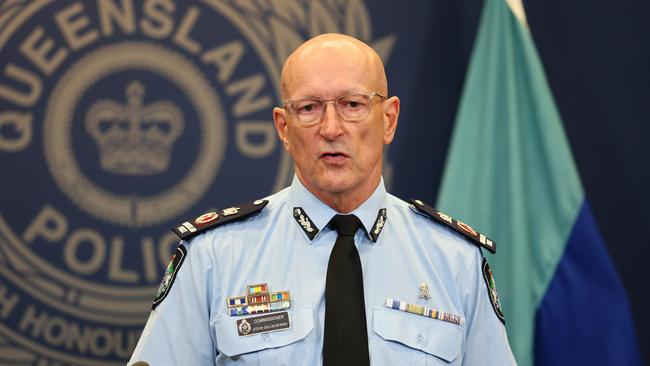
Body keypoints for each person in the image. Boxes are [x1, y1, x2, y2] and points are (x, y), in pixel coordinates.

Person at [129, 33, 516, 365]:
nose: (331, 129)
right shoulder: (215, 256)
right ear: (284, 127)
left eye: (353, 104)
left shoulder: (454, 261)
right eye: (310, 108)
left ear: (389, 120)